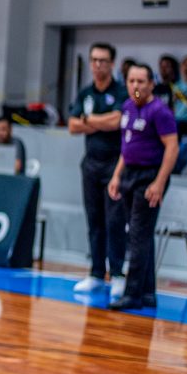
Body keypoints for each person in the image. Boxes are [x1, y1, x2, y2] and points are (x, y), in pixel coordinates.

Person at [106, 63, 178, 310]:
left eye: (140, 81)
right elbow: (126, 147)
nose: (135, 86)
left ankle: (132, 294)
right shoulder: (128, 106)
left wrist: (159, 182)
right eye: (131, 81)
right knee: (141, 234)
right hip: (130, 173)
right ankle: (147, 292)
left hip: (150, 175)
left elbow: (172, 147)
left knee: (137, 235)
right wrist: (117, 175)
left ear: (151, 84)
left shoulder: (159, 111)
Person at [67, 42, 128, 297]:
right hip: (90, 164)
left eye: (103, 60)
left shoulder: (123, 91)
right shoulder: (85, 93)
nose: (97, 65)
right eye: (94, 60)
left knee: (115, 221)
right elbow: (72, 126)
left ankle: (117, 274)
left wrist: (88, 120)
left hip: (114, 164)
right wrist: (99, 122)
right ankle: (96, 273)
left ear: (112, 64)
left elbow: (118, 121)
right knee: (94, 220)